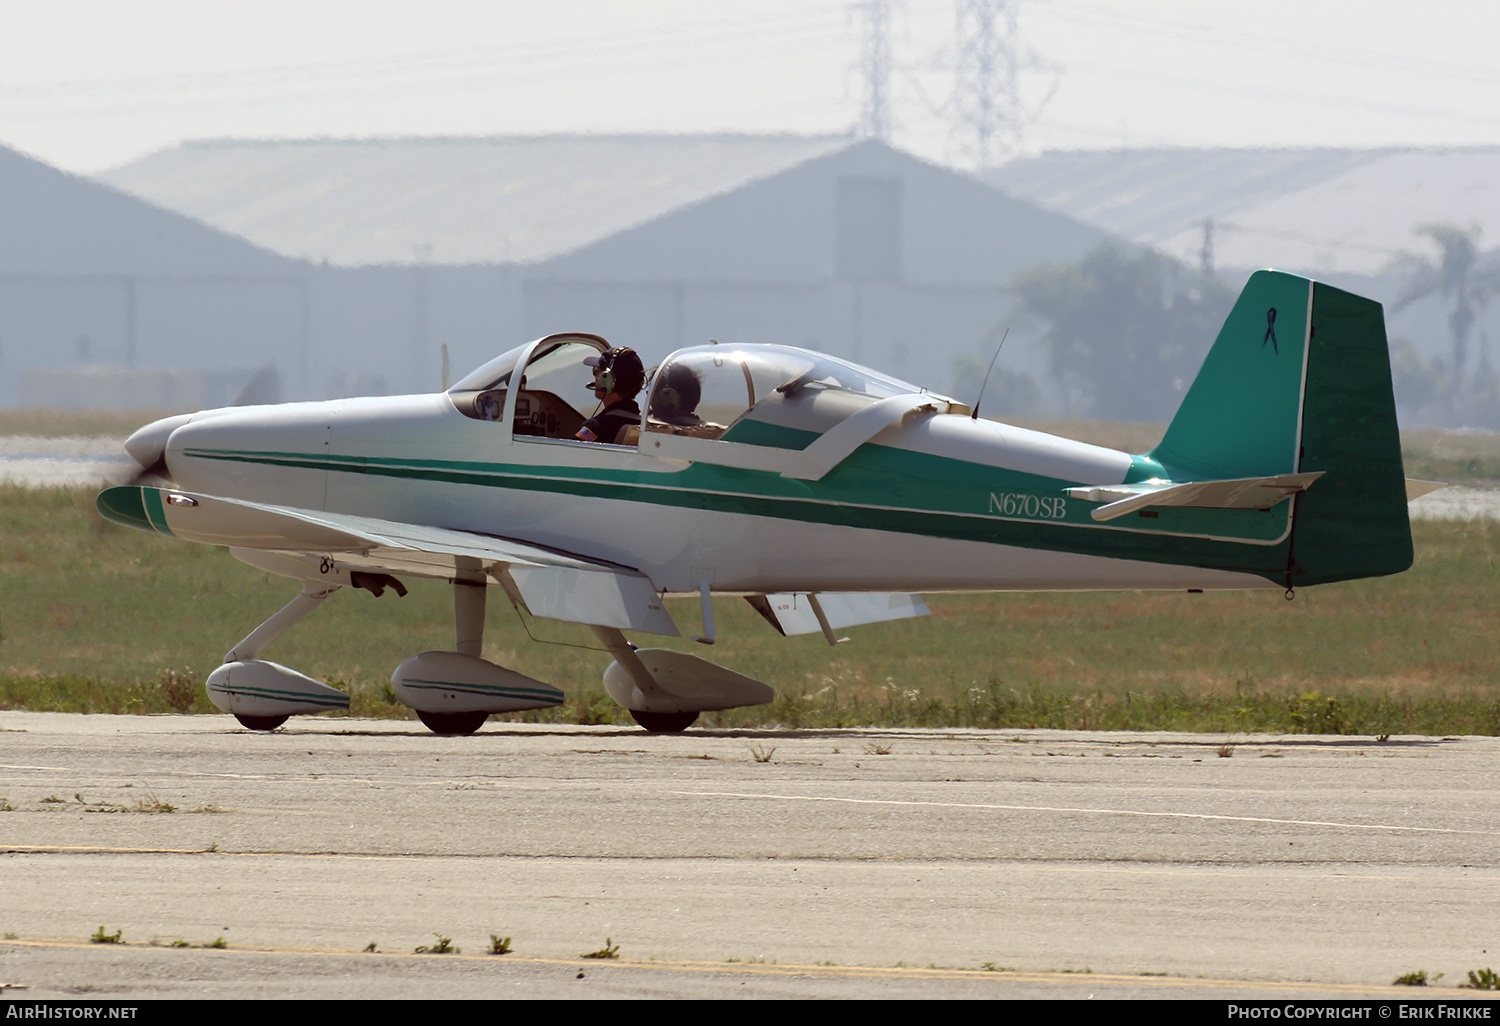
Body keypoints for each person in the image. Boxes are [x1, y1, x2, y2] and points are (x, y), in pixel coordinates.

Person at [575, 347, 645, 444]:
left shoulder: (594, 428)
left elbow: (567, 457)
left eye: (596, 371)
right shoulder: (645, 429)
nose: (595, 378)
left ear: (607, 379)